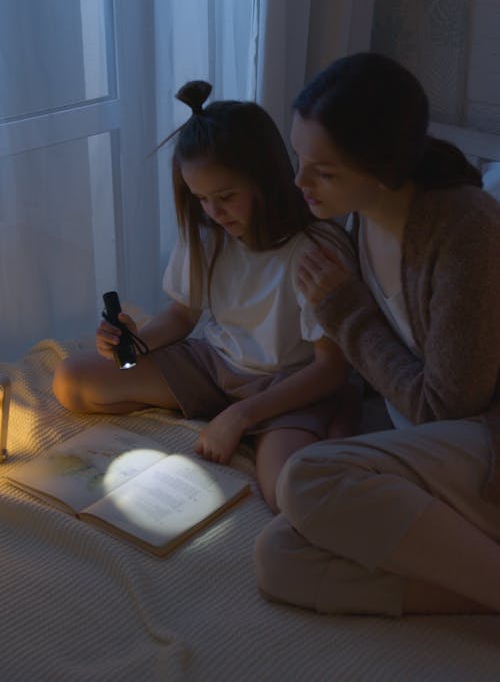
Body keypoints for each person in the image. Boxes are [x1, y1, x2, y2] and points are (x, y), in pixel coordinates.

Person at [254, 51, 500, 612]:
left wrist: (346, 311)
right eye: (299, 158)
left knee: (307, 479)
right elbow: (389, 372)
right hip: (434, 453)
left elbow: (445, 410)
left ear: (385, 169)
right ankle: (476, 586)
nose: (299, 182)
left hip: (484, 443)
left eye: (324, 171)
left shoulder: (468, 232)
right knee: (279, 555)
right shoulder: (358, 218)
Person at [53, 81, 359, 512]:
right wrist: (135, 343)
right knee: (71, 381)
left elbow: (330, 369)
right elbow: (182, 316)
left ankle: (336, 417)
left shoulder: (312, 250)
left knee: (290, 494)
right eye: (201, 199)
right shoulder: (207, 234)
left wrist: (240, 415)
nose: (214, 212)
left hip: (289, 383)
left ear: (265, 179)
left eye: (226, 197)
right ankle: (240, 411)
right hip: (215, 365)